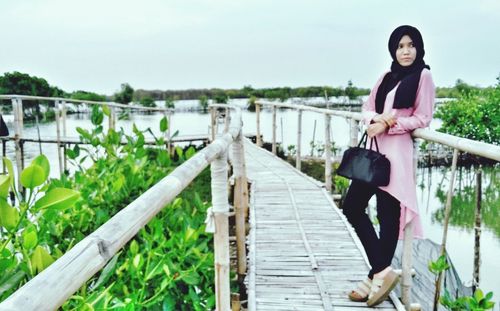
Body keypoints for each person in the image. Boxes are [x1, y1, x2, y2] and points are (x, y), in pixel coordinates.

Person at [343, 25, 435, 307]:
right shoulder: (386, 76)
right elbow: (367, 107)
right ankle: (382, 270)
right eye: (400, 46)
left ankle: (374, 276)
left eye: (410, 45)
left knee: (387, 216)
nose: (405, 51)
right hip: (375, 154)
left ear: (418, 48)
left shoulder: (423, 76)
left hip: (398, 156)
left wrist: (388, 124)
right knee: (352, 207)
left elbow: (423, 118)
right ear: (393, 50)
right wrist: (375, 120)